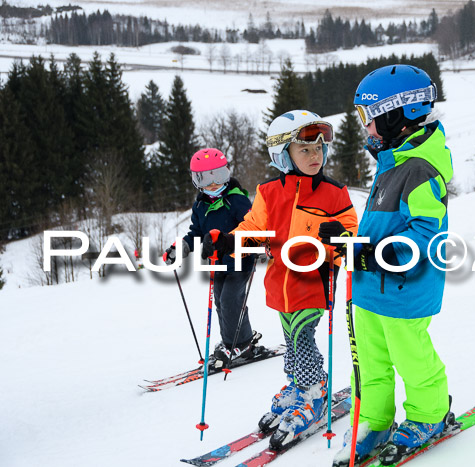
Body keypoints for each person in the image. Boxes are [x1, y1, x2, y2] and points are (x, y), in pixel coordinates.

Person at [320, 64, 452, 466]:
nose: (368, 130)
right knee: (370, 361)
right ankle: (374, 419)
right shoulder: (393, 160)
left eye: (370, 119)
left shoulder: (420, 169)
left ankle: (430, 414)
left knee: (410, 356)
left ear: (400, 113)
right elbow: (382, 227)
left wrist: (371, 255)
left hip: (404, 291)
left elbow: (426, 237)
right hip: (370, 288)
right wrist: (350, 243)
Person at [201, 110, 358, 450]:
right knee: (291, 337)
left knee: (302, 338)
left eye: (319, 149)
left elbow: (352, 236)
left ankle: (312, 392)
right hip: (279, 284)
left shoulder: (334, 193)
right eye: (305, 150)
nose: (315, 156)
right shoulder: (269, 192)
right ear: (282, 154)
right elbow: (254, 231)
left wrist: (339, 238)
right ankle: (299, 384)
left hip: (314, 284)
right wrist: (226, 240)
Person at [163, 148, 259, 369]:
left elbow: (252, 228)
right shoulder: (199, 206)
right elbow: (195, 233)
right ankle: (238, 340)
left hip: (241, 260)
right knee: (221, 302)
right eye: (206, 177)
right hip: (217, 263)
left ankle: (237, 343)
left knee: (230, 300)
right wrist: (181, 248)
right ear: (197, 180)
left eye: (219, 175)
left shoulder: (236, 200)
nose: (214, 183)